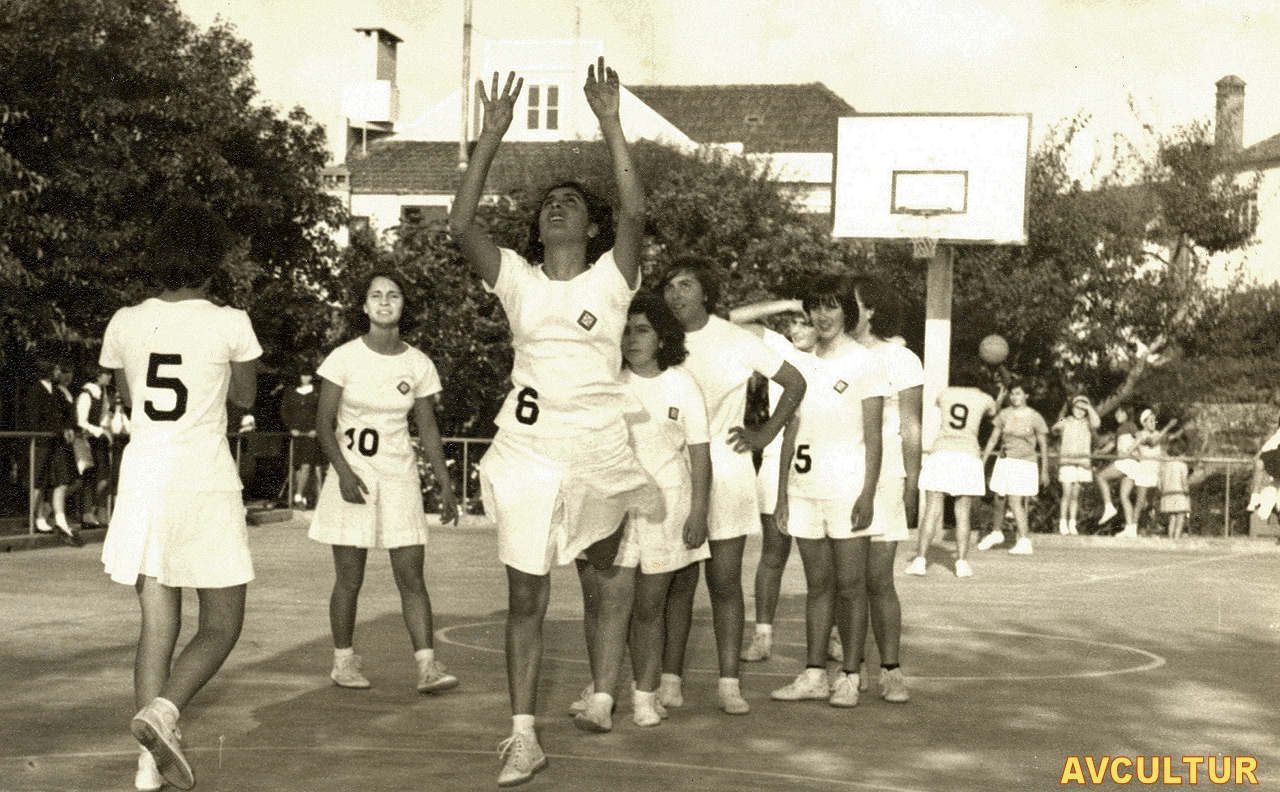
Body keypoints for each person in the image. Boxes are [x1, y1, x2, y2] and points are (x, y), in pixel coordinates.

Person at [449, 59, 663, 786]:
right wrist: (491, 136)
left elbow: (635, 213)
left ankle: (603, 694)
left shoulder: (612, 276)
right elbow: (460, 223)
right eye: (548, 203)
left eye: (571, 201)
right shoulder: (516, 276)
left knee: (604, 580)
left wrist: (611, 122)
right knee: (526, 596)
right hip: (528, 452)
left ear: (591, 224)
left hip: (599, 449)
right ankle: (522, 735)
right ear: (537, 228)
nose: (557, 208)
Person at [98, 203, 261, 791]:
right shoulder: (231, 321)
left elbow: (129, 397)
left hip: (144, 479)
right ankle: (165, 711)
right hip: (203, 478)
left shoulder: (124, 321)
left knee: (157, 625)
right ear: (212, 258)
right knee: (223, 623)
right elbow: (244, 398)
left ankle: (147, 766)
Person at [659, 258, 806, 715]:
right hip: (673, 470)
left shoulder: (737, 339)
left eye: (686, 285)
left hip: (726, 467)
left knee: (723, 582)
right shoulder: (659, 338)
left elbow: (795, 382)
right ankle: (669, 681)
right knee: (677, 583)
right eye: (670, 286)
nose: (676, 294)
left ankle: (728, 683)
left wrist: (764, 435)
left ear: (706, 292)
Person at [308, 271, 460, 698]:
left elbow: (427, 428)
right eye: (376, 295)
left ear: (403, 305)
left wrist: (445, 485)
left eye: (393, 295)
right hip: (353, 475)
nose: (385, 302)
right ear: (364, 305)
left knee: (411, 576)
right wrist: (343, 471)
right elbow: (323, 423)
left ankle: (427, 667)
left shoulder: (418, 363)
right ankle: (343, 661)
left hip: (399, 476)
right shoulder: (343, 358)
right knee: (349, 578)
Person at [570, 293, 711, 728]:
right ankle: (602, 696)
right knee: (607, 604)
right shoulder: (607, 381)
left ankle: (645, 696)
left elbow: (700, 455)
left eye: (643, 330)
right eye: (626, 330)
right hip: (611, 504)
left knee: (650, 608)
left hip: (666, 506)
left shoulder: (682, 384)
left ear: (662, 337)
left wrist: (699, 512)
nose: (632, 339)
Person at [770, 273, 886, 707]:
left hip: (847, 490)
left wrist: (868, 493)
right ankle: (815, 673)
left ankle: (851, 675)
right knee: (818, 585)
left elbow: (873, 436)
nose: (822, 314)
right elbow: (790, 430)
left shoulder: (865, 362)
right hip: (804, 488)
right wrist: (782, 493)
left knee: (851, 586)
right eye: (815, 306)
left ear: (847, 311)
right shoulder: (799, 363)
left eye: (832, 305)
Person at [725, 300, 816, 663]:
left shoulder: (838, 357)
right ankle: (762, 635)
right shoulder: (780, 347)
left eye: (806, 322)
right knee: (773, 552)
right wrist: (790, 302)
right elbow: (729, 320)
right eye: (794, 322)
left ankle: (832, 634)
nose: (799, 329)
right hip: (778, 459)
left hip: (819, 464)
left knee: (822, 561)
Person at [845, 275, 921, 703]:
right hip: (840, 475)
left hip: (887, 476)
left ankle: (891, 670)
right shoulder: (834, 355)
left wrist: (912, 482)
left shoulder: (900, 358)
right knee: (845, 580)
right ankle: (849, 670)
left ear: (871, 309)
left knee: (878, 578)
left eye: (851, 301)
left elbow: (911, 425)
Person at [906, 370, 998, 578]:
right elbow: (993, 412)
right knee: (962, 513)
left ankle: (920, 561)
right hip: (968, 455)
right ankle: (962, 563)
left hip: (942, 453)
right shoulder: (984, 398)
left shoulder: (945, 394)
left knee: (932, 510)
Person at [977, 381, 1049, 555]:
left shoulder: (1035, 417)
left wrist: (1044, 470)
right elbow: (993, 439)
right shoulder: (1004, 414)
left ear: (1026, 396)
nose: (1014, 397)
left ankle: (1024, 540)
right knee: (999, 498)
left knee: (1015, 501)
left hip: (1024, 463)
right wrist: (982, 460)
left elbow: (1043, 445)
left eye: (1018, 393)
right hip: (1005, 461)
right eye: (1012, 394)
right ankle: (996, 533)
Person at [18, 358, 81, 546]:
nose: (58, 373)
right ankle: (36, 518)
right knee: (38, 482)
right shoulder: (35, 391)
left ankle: (60, 520)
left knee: (61, 481)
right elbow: (35, 420)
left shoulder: (56, 391)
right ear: (47, 371)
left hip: (55, 443)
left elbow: (64, 415)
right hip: (41, 444)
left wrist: (67, 427)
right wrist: (60, 429)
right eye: (55, 369)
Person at [1052, 395, 1101, 535]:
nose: (1080, 411)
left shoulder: (1088, 423)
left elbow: (1097, 423)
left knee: (1075, 495)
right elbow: (1054, 428)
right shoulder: (1066, 420)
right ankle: (1063, 522)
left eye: (1083, 409)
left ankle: (1072, 523)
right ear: (1072, 408)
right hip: (1067, 462)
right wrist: (1062, 420)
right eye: (1077, 407)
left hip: (1082, 463)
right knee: (1066, 493)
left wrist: (1089, 408)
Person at [76, 366, 116, 527]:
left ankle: (95, 510)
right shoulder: (87, 394)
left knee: (103, 478)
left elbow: (104, 416)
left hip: (99, 440)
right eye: (107, 374)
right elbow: (81, 421)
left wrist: (107, 427)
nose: (109, 377)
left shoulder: (102, 393)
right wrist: (99, 431)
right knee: (89, 477)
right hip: (88, 440)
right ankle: (87, 513)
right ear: (98, 375)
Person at [1130, 408, 1180, 536]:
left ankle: (1147, 529)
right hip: (1144, 472)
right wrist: (1168, 426)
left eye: (1154, 420)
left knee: (1151, 504)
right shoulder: (1140, 434)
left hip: (1155, 472)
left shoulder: (1158, 433)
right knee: (1140, 502)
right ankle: (1132, 529)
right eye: (1150, 421)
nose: (1153, 423)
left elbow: (1167, 441)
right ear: (1144, 423)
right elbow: (1153, 442)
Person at [281, 367, 324, 508]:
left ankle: (299, 495)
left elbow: (322, 412)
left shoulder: (317, 392)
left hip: (312, 435)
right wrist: (291, 428)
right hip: (297, 435)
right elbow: (285, 411)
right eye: (303, 375)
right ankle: (301, 497)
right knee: (297, 467)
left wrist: (316, 429)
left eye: (308, 375)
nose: (305, 378)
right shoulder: (291, 392)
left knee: (309, 465)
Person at [1094, 406, 1139, 531]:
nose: (1117, 415)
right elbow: (1111, 446)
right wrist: (1099, 452)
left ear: (1127, 414)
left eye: (1120, 412)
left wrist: (1128, 451)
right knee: (1124, 496)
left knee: (1100, 476)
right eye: (1116, 413)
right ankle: (1130, 529)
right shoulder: (1120, 429)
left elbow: (1140, 437)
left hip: (1128, 461)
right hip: (1132, 464)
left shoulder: (1130, 425)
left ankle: (1109, 507)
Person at [1159, 435, 1191, 539]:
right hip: (1179, 494)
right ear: (1181, 452)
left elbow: (1160, 482)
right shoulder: (1182, 465)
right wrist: (1187, 493)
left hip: (1167, 494)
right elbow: (1184, 482)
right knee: (1180, 517)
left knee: (1172, 518)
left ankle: (1170, 537)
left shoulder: (1165, 465)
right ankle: (1176, 538)